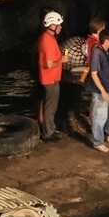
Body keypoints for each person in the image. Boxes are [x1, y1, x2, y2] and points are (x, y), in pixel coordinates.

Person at [84, 28, 109, 152]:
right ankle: (98, 142)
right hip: (99, 89)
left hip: (108, 86)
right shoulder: (97, 53)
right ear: (107, 40)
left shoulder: (106, 52)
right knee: (100, 116)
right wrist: (102, 90)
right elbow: (94, 74)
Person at [36, 11, 66, 141]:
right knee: (50, 108)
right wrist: (62, 60)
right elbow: (48, 64)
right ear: (52, 26)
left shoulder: (48, 38)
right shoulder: (47, 41)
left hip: (51, 78)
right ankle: (48, 133)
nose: (60, 27)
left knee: (51, 107)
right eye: (58, 24)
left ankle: (50, 129)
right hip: (49, 79)